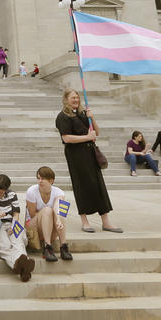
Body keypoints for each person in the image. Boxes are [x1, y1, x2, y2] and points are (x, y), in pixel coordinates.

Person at [55, 89, 122, 234]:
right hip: (76, 155)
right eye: (73, 98)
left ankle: (106, 221)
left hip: (90, 153)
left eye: (77, 98)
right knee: (81, 186)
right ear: (66, 99)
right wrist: (86, 138)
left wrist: (93, 118)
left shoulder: (83, 114)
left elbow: (96, 133)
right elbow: (66, 138)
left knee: (99, 185)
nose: (76, 100)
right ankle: (84, 222)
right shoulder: (62, 116)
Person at [0, 174, 35, 282]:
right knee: (5, 245)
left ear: (6, 190)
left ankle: (22, 266)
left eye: (0, 191)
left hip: (12, 223)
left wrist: (14, 226)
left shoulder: (12, 194)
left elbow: (16, 213)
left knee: (18, 243)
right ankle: (22, 268)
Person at [25, 166, 72, 262]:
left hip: (50, 229)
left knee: (60, 212)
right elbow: (33, 214)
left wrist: (57, 218)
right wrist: (49, 213)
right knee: (47, 210)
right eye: (38, 178)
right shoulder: (31, 191)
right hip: (33, 227)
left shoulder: (59, 192)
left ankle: (63, 246)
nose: (40, 181)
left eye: (43, 179)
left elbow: (58, 206)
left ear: (51, 181)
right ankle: (47, 247)